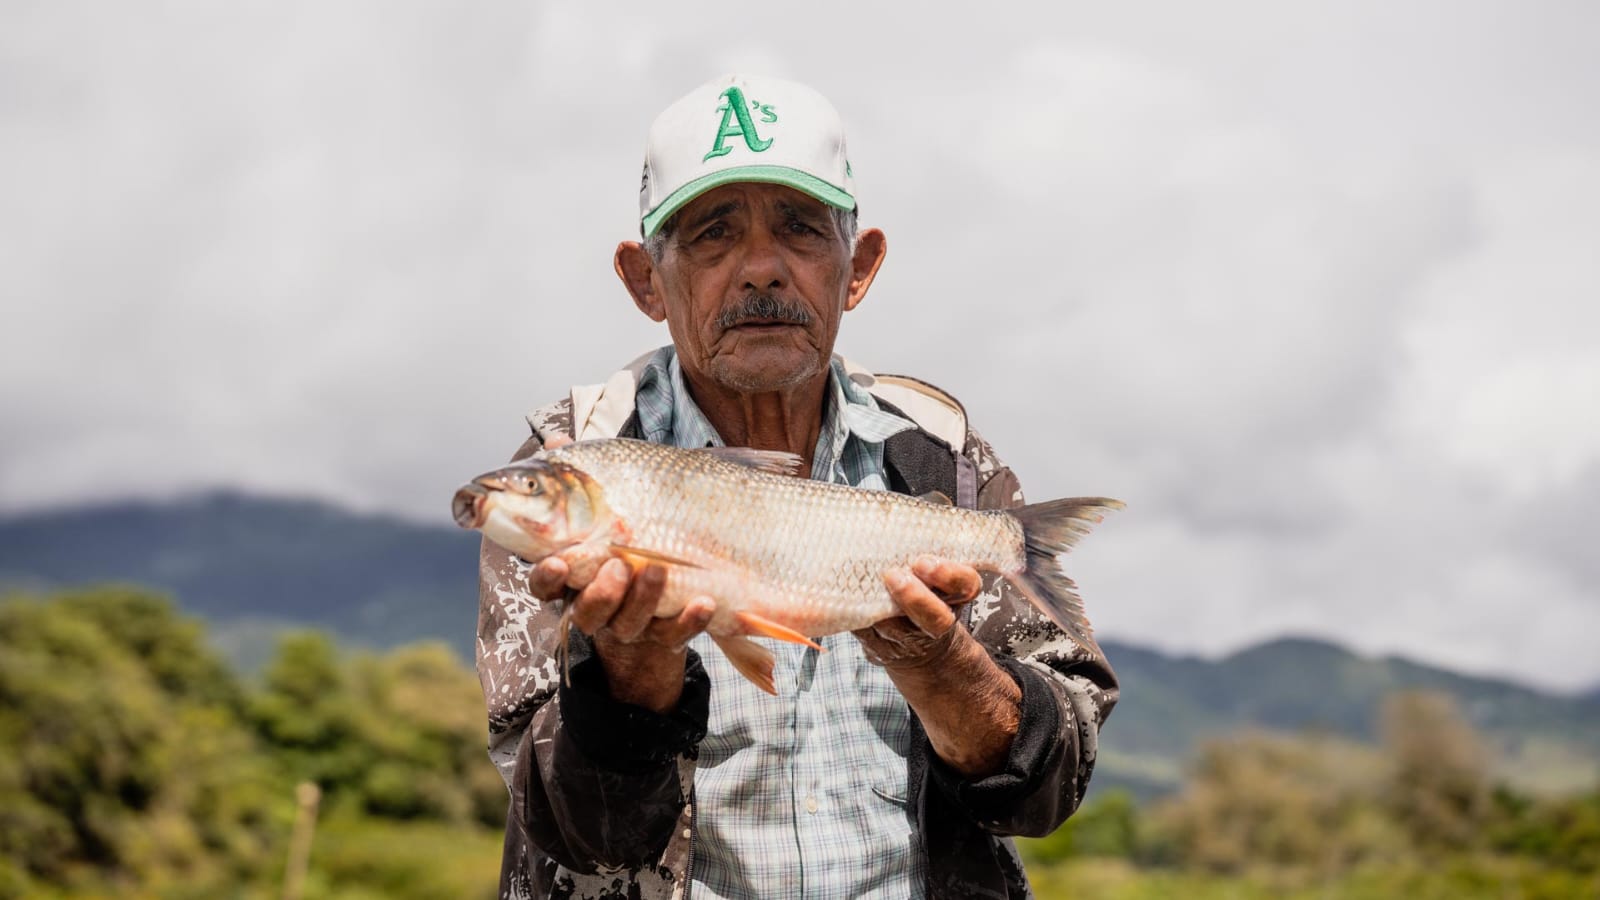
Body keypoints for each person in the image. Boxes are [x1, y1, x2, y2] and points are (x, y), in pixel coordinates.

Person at [474, 74, 1118, 900]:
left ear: (860, 267)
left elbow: (1051, 788)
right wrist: (630, 674)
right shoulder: (577, 462)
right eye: (712, 233)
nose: (762, 270)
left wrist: (940, 664)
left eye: (802, 230)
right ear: (645, 280)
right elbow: (576, 838)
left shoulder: (942, 460)